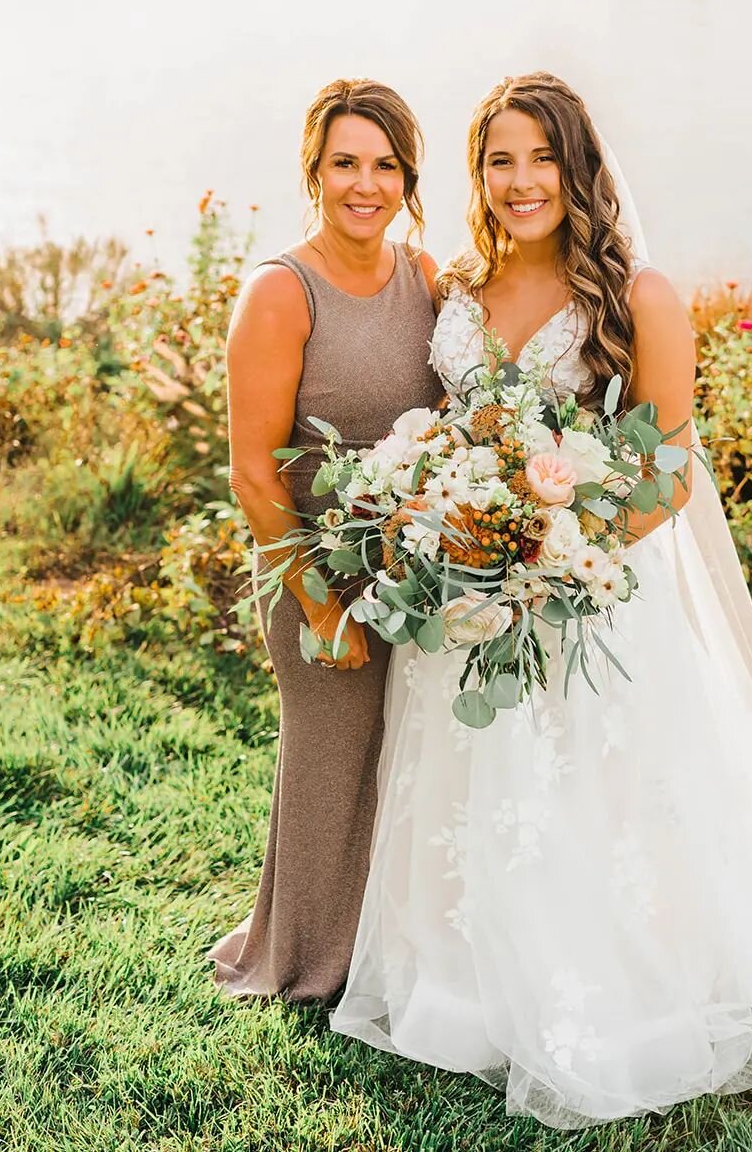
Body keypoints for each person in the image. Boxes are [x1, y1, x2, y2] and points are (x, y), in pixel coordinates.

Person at [329, 72, 752, 1130]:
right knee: (470, 794)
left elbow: (668, 473)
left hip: (587, 592)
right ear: (476, 176)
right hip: (465, 591)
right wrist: (447, 524)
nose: (521, 182)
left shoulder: (638, 294)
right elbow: (447, 426)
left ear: (579, 167)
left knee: (599, 802)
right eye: (499, 160)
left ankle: (602, 980)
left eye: (541, 157)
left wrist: (553, 554)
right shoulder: (454, 287)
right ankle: (459, 982)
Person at [208, 78, 442, 1003]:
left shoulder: (423, 277)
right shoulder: (279, 291)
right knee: (330, 762)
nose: (366, 184)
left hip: (419, 571)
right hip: (314, 572)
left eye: (386, 166)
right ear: (314, 170)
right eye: (346, 163)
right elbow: (253, 476)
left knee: (411, 756)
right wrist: (318, 603)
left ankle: (397, 940)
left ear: (407, 178)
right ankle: (305, 960)